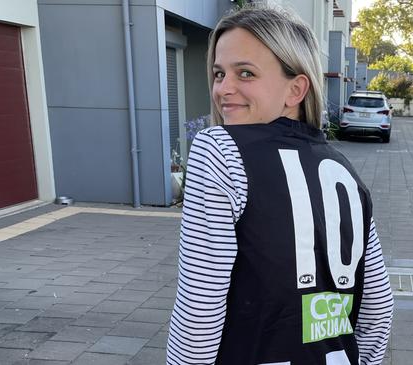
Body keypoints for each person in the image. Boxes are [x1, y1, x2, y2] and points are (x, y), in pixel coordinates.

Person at [166, 5, 393, 365]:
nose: (224, 89)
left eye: (245, 73)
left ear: (296, 89)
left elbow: (199, 308)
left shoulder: (219, 149)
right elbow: (378, 307)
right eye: (219, 73)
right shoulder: (344, 170)